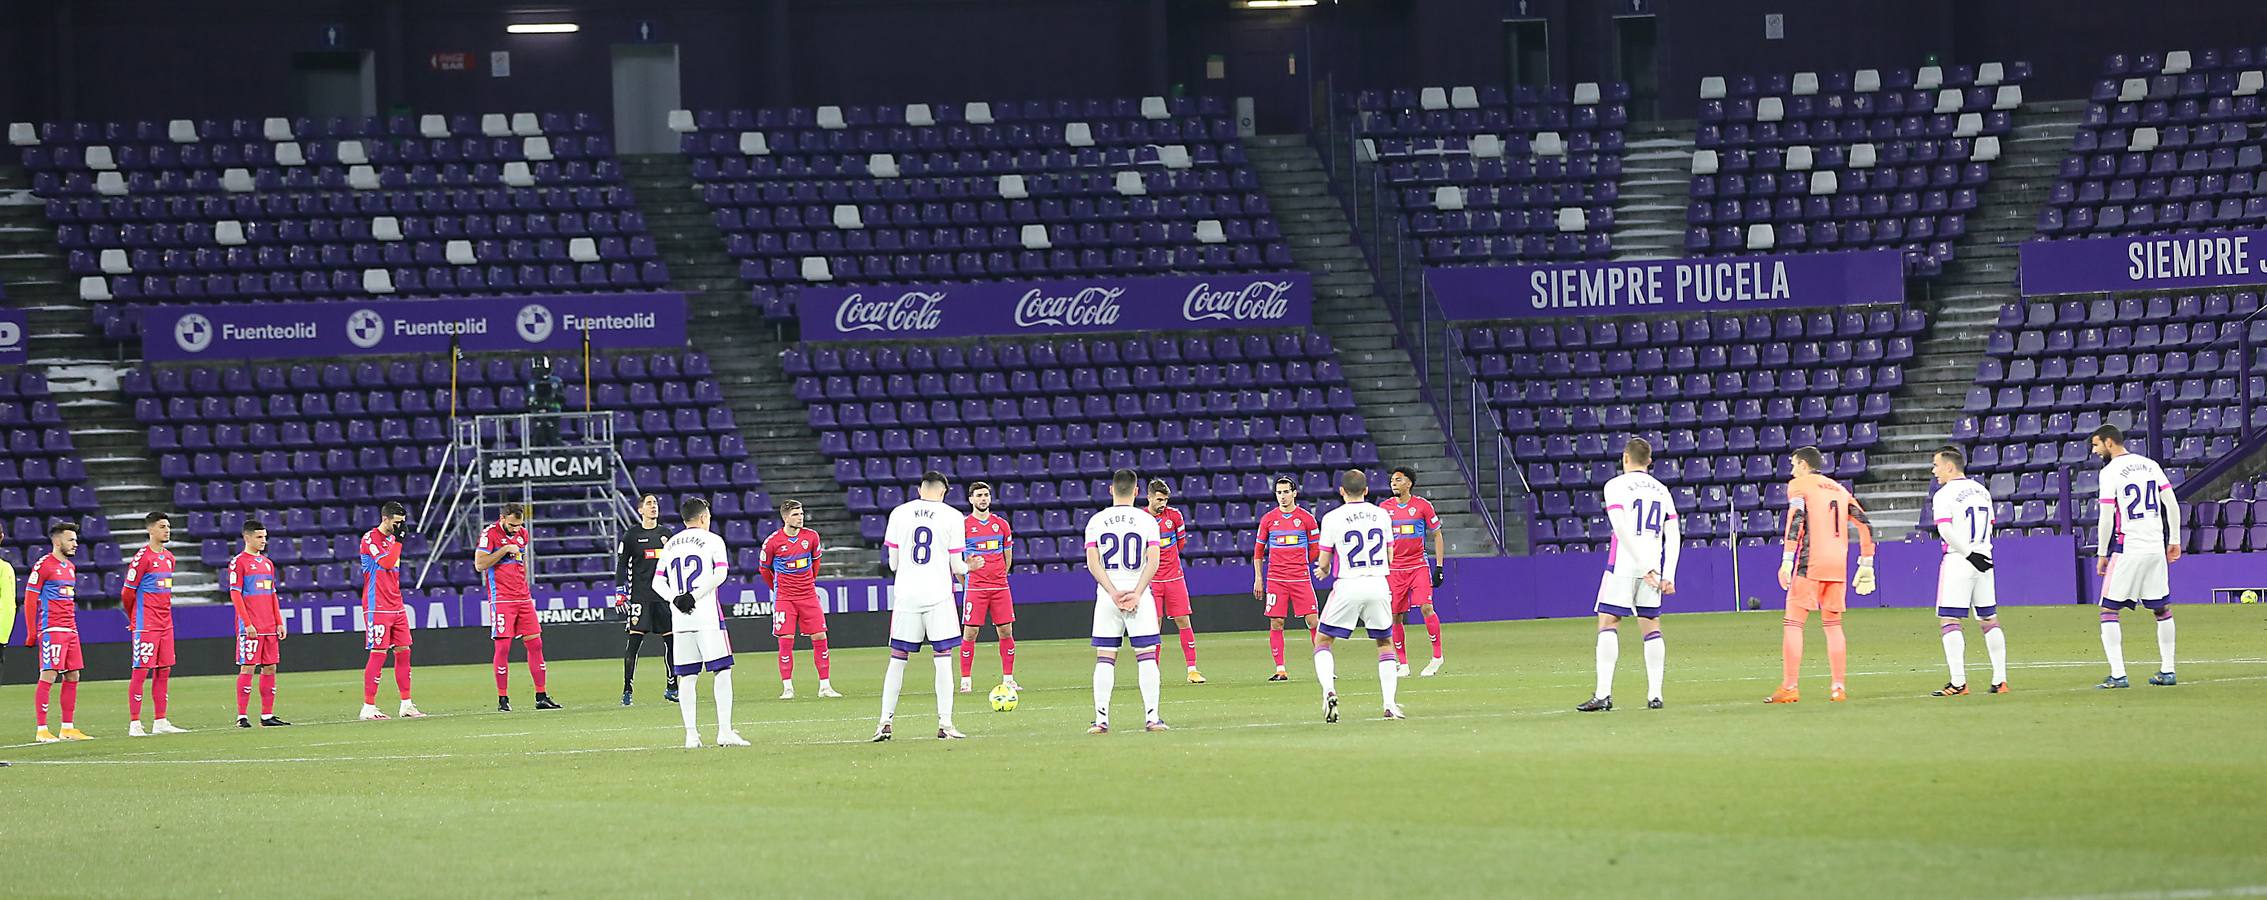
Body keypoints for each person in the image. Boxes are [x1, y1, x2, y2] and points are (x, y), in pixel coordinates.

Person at [872, 472, 979, 742]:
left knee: (897, 660)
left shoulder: (899, 513)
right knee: (942, 659)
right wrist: (971, 567)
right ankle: (945, 724)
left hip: (907, 596)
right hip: (938, 596)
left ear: (921, 489)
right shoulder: (953, 516)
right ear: (944, 492)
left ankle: (884, 722)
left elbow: (893, 563)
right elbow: (957, 566)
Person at [1767, 447, 1876, 704]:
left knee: (1794, 622)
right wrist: (1866, 561)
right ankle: (1838, 687)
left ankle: (1790, 686)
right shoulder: (1839, 489)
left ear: (1804, 465)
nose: (1792, 470)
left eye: (1794, 465)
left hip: (1810, 562)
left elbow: (1796, 520)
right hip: (1837, 564)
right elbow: (1864, 523)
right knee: (1833, 625)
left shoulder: (1799, 485)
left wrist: (1786, 560)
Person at [1578, 439, 1679, 713]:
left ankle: (1603, 694)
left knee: (1608, 621)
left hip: (1624, 564)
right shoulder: (1662, 490)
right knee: (1651, 625)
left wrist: (1642, 565)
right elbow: (1673, 533)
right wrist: (1666, 572)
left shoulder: (1615, 486)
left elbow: (1621, 529)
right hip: (1654, 568)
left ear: (1625, 458)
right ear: (1650, 460)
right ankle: (1655, 695)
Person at [2089, 425, 2181, 689]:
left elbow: (2106, 516)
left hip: (2128, 547)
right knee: (2161, 609)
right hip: (2155, 546)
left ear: (2109, 443)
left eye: (2096, 445)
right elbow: (2171, 504)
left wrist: (2102, 552)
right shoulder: (2150, 465)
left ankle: (2118, 674)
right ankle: (2168, 670)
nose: (2095, 451)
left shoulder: (2109, 472)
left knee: (2108, 610)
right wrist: (2174, 539)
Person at [653, 498, 746, 748]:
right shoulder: (713, 540)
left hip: (681, 619)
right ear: (704, 517)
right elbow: (721, 572)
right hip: (706, 616)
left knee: (687, 677)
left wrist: (676, 599)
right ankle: (724, 731)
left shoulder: (671, 544)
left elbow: (656, 582)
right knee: (722, 671)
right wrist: (692, 597)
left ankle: (691, 736)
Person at [1313, 469, 1403, 723]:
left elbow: (1324, 560)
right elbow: (1390, 556)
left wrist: (1324, 569)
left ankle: (1328, 691)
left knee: (1323, 640)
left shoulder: (1332, 518)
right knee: (1384, 643)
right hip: (1377, 583)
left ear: (1342, 491)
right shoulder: (1382, 514)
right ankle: (1389, 704)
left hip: (1349, 584)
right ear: (1366, 491)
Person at [1085, 469, 1168, 734]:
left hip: (1109, 598)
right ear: (1136, 492)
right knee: (1146, 658)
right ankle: (1152, 718)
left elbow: (1092, 562)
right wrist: (1137, 592)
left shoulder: (1096, 521)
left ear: (1111, 490)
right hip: (1138, 594)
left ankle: (1101, 720)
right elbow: (1154, 560)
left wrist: (1112, 592)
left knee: (1105, 658)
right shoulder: (1147, 521)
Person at [1929, 449, 2009, 696]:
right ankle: (2000, 680)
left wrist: (1967, 553)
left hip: (1960, 560)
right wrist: (1978, 553)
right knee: (1988, 619)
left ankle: (1958, 682)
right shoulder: (1982, 491)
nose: (1934, 471)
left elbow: (1945, 530)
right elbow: (1991, 525)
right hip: (1985, 559)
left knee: (1950, 620)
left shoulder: (1944, 494)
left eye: (1936, 465)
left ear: (1950, 467)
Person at [478, 504, 560, 711]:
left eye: (519, 525)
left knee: (536, 644)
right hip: (502, 599)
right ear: (502, 518)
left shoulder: (523, 534)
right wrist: (504, 549)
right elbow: (480, 564)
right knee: (503, 647)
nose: (516, 529)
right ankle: (502, 699)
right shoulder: (490, 534)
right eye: (512, 525)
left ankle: (541, 696)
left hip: (523, 597)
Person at [762, 500, 839, 699]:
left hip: (808, 595)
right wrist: (777, 589)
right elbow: (764, 569)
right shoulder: (773, 542)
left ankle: (825, 686)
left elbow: (816, 561)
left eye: (802, 513)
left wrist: (809, 583)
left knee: (820, 637)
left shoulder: (811, 537)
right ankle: (787, 687)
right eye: (796, 514)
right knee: (786, 640)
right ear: (785, 517)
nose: (801, 517)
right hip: (785, 598)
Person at [356, 501, 423, 721]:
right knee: (378, 652)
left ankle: (406, 704)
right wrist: (400, 542)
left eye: (402, 523)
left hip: (396, 603)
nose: (400, 527)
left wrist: (397, 540)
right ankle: (368, 706)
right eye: (397, 523)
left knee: (404, 651)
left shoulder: (393, 540)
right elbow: (386, 563)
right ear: (385, 519)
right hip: (377, 604)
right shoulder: (370, 538)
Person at [124, 512, 189, 735]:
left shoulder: (170, 558)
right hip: (146, 622)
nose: (167, 530)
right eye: (162, 526)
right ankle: (135, 723)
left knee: (164, 670)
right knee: (141, 670)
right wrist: (133, 617)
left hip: (165, 623)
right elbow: (127, 592)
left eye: (168, 526)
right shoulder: (142, 557)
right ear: (150, 530)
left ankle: (160, 721)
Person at [1253, 477, 1321, 681]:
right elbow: (1258, 551)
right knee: (1277, 622)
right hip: (1276, 578)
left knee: (1313, 620)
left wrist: (1301, 562)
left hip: (1300, 578)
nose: (1282, 496)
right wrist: (1258, 578)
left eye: (1285, 492)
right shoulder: (1268, 519)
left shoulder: (1307, 519)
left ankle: (1323, 665)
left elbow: (1316, 549)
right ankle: (1280, 669)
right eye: (1279, 492)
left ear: (1294, 493)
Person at [1381, 467, 1447, 677]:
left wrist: (1439, 566)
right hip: (1394, 568)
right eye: (1392, 480)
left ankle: (1437, 657)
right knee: (1394, 615)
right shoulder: (1384, 508)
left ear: (1408, 483)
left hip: (1418, 565)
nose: (1394, 483)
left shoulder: (1422, 506)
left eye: (1398, 480)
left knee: (1426, 607)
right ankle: (1403, 664)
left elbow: (1437, 535)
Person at [27, 522, 88, 742]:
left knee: (73, 674)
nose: (75, 544)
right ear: (57, 540)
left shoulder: (70, 568)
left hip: (71, 628)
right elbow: (31, 598)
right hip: (52, 628)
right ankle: (42, 729)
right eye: (71, 540)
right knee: (49, 674)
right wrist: (32, 631)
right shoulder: (44, 564)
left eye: (76, 540)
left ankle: (67, 728)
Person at [615, 493, 678, 706]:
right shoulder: (632, 535)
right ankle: (627, 689)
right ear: (640, 509)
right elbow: (622, 565)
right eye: (649, 504)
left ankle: (672, 687)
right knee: (633, 644)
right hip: (640, 598)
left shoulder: (667, 535)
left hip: (663, 598)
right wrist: (620, 592)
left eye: (656, 504)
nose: (654, 507)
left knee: (671, 643)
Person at [957, 482, 1018, 694]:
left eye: (986, 495)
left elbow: (1007, 555)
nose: (983, 499)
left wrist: (1000, 574)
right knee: (971, 632)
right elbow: (955, 559)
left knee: (1005, 630)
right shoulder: (963, 526)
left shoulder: (1001, 525)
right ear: (971, 499)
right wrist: (967, 583)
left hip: (1000, 586)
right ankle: (966, 680)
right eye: (979, 495)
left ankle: (1008, 679)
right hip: (976, 588)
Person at [230, 520, 289, 728]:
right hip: (252, 627)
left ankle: (267, 715)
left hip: (269, 626)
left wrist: (279, 622)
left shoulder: (267, 563)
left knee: (270, 668)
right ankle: (242, 716)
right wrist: (247, 623)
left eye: (264, 537)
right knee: (248, 668)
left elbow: (272, 594)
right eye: (259, 537)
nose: (264, 541)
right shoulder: (239, 562)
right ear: (247, 538)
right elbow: (235, 594)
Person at [1147, 479, 1204, 683]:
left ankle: (1192, 670)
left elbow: (1180, 543)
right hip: (1151, 580)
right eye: (1159, 499)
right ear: (1149, 497)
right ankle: (1152, 672)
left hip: (1174, 577)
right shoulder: (1142, 519)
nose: (1163, 504)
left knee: (1183, 620)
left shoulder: (1175, 516)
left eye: (1166, 500)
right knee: (1154, 625)